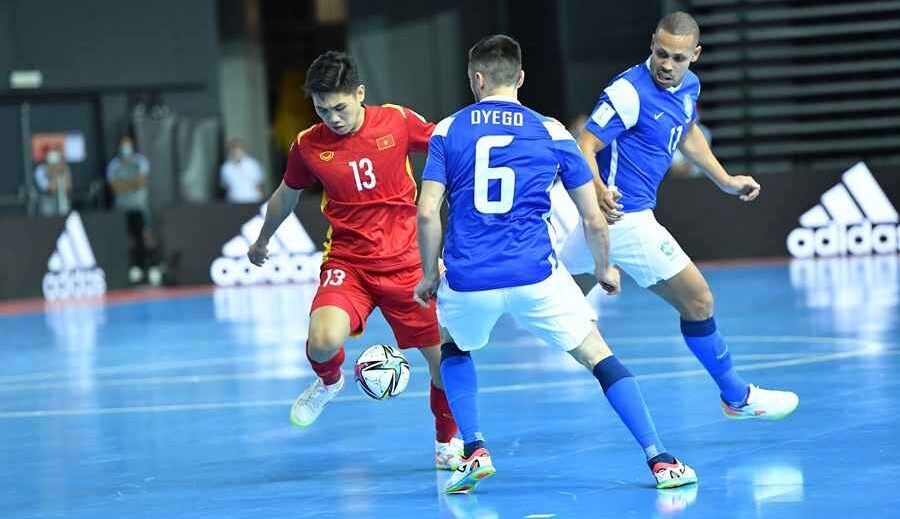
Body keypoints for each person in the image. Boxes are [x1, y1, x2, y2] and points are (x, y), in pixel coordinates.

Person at [414, 34, 697, 494]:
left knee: (453, 347)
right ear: (521, 78)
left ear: (476, 79)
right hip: (535, 275)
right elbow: (592, 215)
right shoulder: (551, 131)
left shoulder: (447, 130)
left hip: (469, 277)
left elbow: (427, 211)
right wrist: (604, 268)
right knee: (598, 356)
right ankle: (660, 459)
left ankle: (475, 448)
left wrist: (429, 274)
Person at [553, 12, 799, 419]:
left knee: (542, 301)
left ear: (695, 55)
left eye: (678, 57)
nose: (668, 65)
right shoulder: (628, 92)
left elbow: (687, 133)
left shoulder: (688, 86)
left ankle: (450, 341)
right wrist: (598, 190)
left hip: (604, 224)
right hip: (623, 217)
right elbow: (586, 144)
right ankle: (737, 396)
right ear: (652, 43)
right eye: (662, 53)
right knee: (699, 300)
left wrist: (724, 180)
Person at [246, 51, 462, 470]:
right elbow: (286, 195)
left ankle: (445, 441)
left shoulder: (396, 121)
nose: (332, 117)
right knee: (322, 341)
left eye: (340, 107)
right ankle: (328, 382)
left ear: (360, 94)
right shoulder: (308, 145)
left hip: (408, 264)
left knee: (442, 363)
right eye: (322, 109)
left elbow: (448, 146)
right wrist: (261, 240)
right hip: (349, 261)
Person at [107, 135, 159, 284]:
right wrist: (131, 184)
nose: (125, 148)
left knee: (143, 238)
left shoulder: (140, 161)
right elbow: (115, 187)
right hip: (122, 209)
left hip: (139, 207)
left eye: (128, 144)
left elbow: (141, 181)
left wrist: (125, 184)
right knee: (124, 240)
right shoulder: (114, 164)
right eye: (123, 145)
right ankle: (130, 270)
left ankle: (148, 269)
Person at [35, 148, 72, 216]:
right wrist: (54, 172)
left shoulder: (64, 168)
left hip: (62, 199)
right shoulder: (40, 170)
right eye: (53, 163)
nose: (55, 165)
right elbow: (50, 188)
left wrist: (65, 171)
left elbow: (68, 186)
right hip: (47, 199)